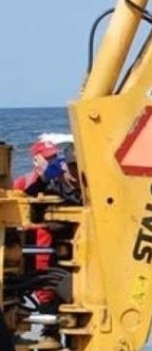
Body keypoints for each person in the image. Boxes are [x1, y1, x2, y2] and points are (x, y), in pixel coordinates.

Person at [12, 139, 73, 350]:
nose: (52, 160)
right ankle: (42, 333)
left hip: (59, 247)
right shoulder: (24, 182)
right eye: (48, 157)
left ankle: (60, 336)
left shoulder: (63, 181)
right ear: (36, 159)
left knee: (64, 292)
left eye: (54, 156)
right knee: (35, 289)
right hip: (33, 246)